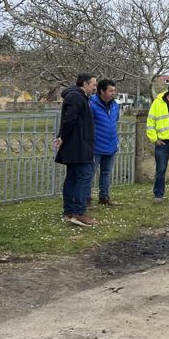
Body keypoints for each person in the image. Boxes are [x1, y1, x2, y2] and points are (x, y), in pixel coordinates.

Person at [55, 73, 98, 227]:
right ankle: (78, 213)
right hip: (78, 146)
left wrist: (62, 137)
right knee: (84, 175)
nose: (95, 87)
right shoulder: (75, 97)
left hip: (76, 145)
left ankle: (69, 212)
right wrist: (62, 137)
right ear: (85, 84)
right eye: (93, 84)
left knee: (73, 177)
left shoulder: (79, 97)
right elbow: (69, 119)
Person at [88, 79, 120, 207]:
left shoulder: (115, 105)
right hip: (95, 146)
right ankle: (86, 199)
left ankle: (104, 197)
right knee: (90, 173)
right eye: (110, 91)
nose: (113, 93)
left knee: (106, 173)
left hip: (111, 145)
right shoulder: (91, 104)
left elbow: (115, 122)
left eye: (114, 91)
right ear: (102, 91)